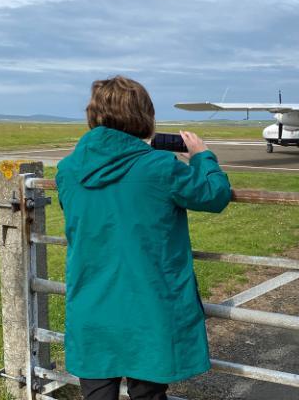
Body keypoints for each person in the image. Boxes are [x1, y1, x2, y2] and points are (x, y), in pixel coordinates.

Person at [57, 76, 232, 400]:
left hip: (92, 308)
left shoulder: (68, 170)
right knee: (148, 394)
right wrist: (202, 156)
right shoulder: (160, 166)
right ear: (143, 117)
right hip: (148, 307)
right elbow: (215, 194)